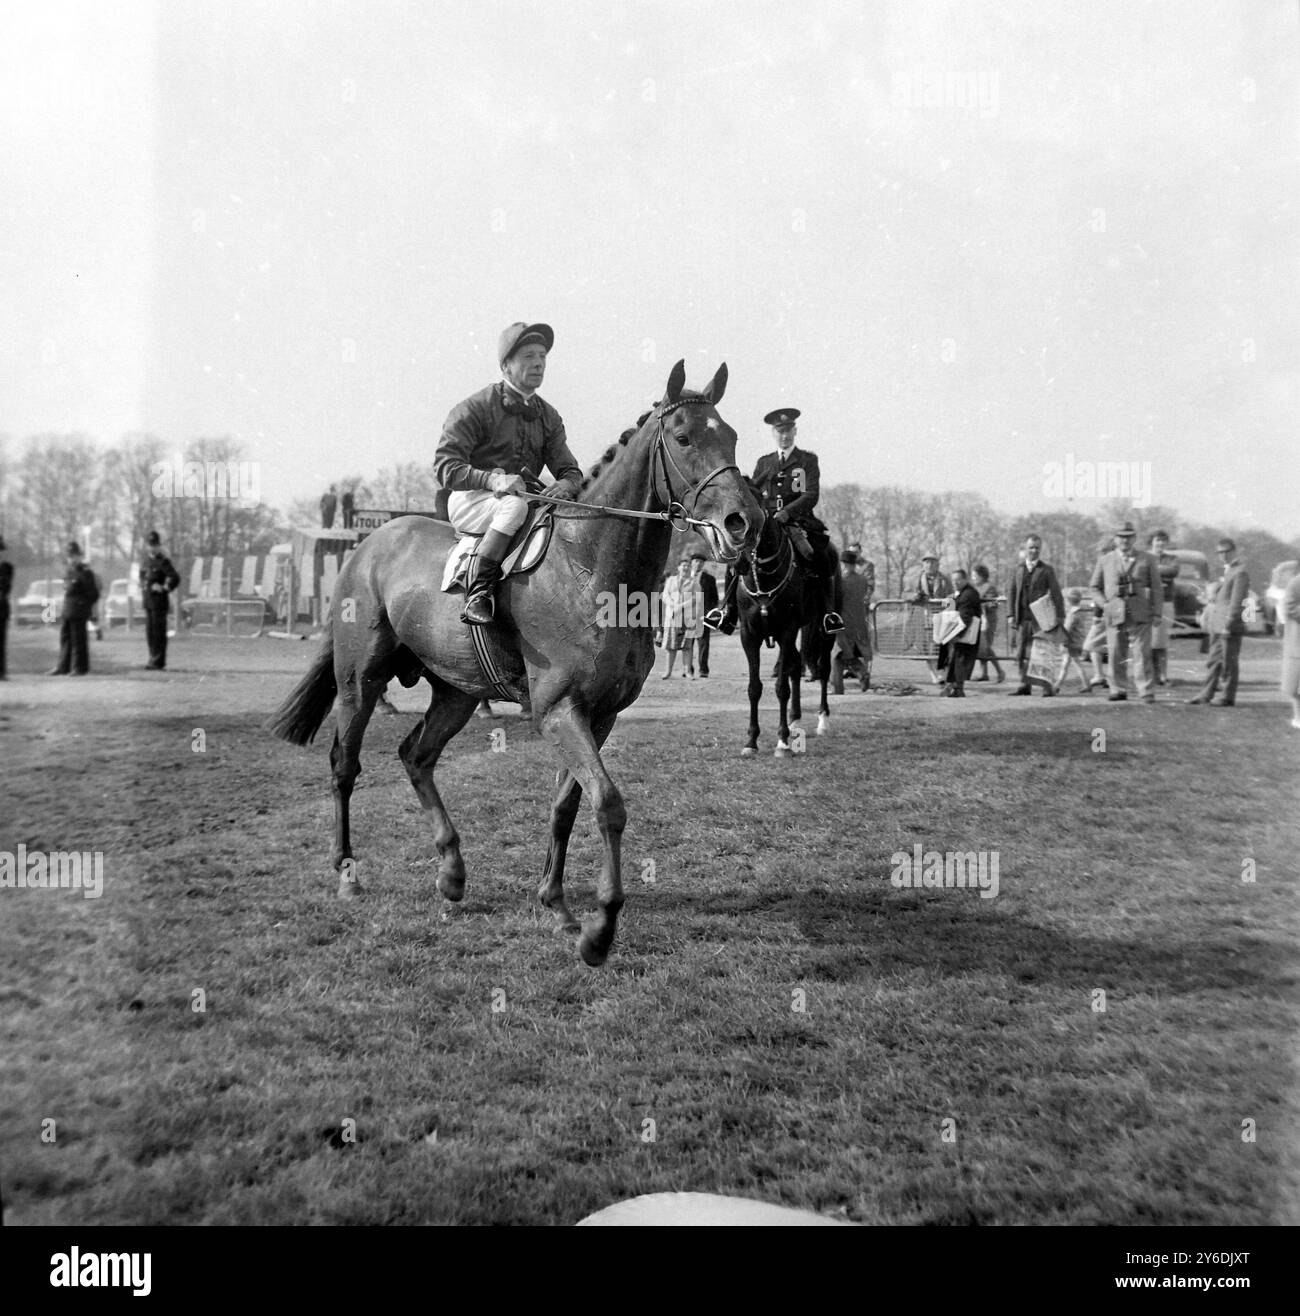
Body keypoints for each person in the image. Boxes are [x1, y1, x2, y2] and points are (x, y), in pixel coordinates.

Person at [433, 322, 583, 625]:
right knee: (513, 506)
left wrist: (567, 484)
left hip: (522, 501)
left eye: (542, 356)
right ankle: (479, 593)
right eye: (528, 356)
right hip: (470, 499)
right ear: (506, 366)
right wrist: (493, 480)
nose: (538, 363)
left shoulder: (549, 415)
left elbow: (570, 470)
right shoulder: (474, 408)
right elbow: (444, 467)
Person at [708, 407, 843, 634]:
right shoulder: (764, 462)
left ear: (795, 431)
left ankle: (829, 613)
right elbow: (752, 492)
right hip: (765, 524)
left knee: (818, 553)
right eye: (780, 431)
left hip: (797, 522)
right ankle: (727, 610)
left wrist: (787, 512)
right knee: (737, 554)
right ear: (774, 433)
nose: (784, 435)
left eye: (788, 430)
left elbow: (811, 495)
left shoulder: (807, 460)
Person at [1090, 520, 1162, 703]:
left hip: (1140, 613)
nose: (1125, 541)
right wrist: (1104, 605)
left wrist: (1157, 613)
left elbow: (1156, 588)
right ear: (1115, 539)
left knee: (1142, 653)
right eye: (1121, 537)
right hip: (1114, 613)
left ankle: (1145, 690)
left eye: (1129, 537)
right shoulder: (1105, 560)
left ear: (1134, 538)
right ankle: (1117, 688)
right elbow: (1094, 587)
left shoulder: (1148, 559)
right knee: (1115, 653)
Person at [1187, 537, 1249, 707]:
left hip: (1229, 627)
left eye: (1226, 551)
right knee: (1214, 661)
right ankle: (1206, 694)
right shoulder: (1226, 571)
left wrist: (1229, 624)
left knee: (1228, 662)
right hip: (1216, 625)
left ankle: (1227, 696)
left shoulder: (1240, 572)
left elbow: (1237, 602)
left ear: (1234, 551)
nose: (1223, 556)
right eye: (1220, 552)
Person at [1008, 533, 1066, 697]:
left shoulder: (1046, 570)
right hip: (1022, 619)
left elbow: (1056, 593)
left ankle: (1046, 687)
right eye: (1031, 548)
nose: (1034, 551)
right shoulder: (1017, 569)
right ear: (1025, 549)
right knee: (1021, 653)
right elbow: (1011, 592)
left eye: (1037, 548)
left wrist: (1060, 615)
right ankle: (1024, 685)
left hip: (1040, 619)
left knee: (1042, 653)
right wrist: (1010, 614)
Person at [48, 541, 99, 676]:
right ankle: (63, 666)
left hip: (79, 610)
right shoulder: (69, 571)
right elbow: (67, 589)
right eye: (70, 556)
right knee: (65, 639)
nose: (72, 558)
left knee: (78, 640)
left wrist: (83, 604)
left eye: (74, 555)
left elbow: (94, 594)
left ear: (79, 556)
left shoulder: (86, 573)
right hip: (68, 609)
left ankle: (80, 668)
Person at [140, 530, 182, 669]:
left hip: (159, 603)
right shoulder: (145, 561)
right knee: (150, 633)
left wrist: (164, 587)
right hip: (148, 603)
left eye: (155, 545)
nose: (153, 547)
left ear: (159, 546)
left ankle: (158, 661)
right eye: (151, 545)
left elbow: (175, 577)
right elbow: (142, 577)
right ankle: (152, 659)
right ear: (147, 546)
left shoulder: (163, 561)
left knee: (158, 633)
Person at [832, 548, 872, 693]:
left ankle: (838, 687)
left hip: (844, 620)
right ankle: (862, 673)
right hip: (859, 621)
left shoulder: (841, 581)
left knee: (837, 654)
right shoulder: (862, 579)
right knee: (847, 652)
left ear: (843, 564)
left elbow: (836, 600)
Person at [938, 569, 982, 697]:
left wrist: (957, 634)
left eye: (959, 580)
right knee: (958, 660)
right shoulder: (962, 593)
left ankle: (957, 688)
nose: (955, 582)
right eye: (953, 580)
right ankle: (955, 687)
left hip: (965, 632)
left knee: (960, 659)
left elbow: (965, 617)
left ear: (965, 579)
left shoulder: (968, 594)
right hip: (963, 631)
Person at [1148, 529, 1178, 686]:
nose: (1160, 543)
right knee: (1149, 641)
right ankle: (1151, 675)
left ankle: (1163, 676)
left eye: (1163, 540)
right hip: (1147, 602)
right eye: (1157, 540)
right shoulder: (1144, 557)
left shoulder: (1171, 558)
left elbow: (1173, 570)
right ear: (1151, 541)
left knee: (1162, 642)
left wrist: (1152, 571)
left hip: (1165, 602)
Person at [685, 549, 718, 677]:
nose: (698, 564)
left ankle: (703, 669)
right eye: (696, 561)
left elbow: (714, 598)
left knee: (703, 643)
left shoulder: (709, 579)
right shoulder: (685, 577)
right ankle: (688, 668)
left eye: (700, 562)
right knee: (687, 643)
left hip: (702, 616)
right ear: (691, 563)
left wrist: (708, 612)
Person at [971, 564, 1005, 683]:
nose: (973, 578)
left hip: (988, 621)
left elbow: (992, 603)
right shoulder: (975, 588)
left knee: (986, 647)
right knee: (981, 647)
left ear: (982, 576)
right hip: (978, 620)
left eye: (975, 575)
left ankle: (1000, 671)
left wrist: (981, 604)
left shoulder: (989, 588)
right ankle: (984, 673)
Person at [1062, 587, 1095, 695]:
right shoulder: (1081, 612)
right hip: (1078, 641)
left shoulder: (1072, 614)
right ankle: (1058, 684)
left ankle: (1057, 685)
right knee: (1068, 663)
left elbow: (1067, 629)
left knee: (1071, 664)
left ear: (1068, 601)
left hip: (1071, 642)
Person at [1281, 570, 1300, 730]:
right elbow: (1289, 608)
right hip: (1298, 639)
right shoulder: (1295, 582)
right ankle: (1298, 717)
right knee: (1295, 684)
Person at [0, 534, 12, 679]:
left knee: (1, 641)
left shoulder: (6, 568)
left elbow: (5, 587)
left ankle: (1, 671)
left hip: (1, 608)